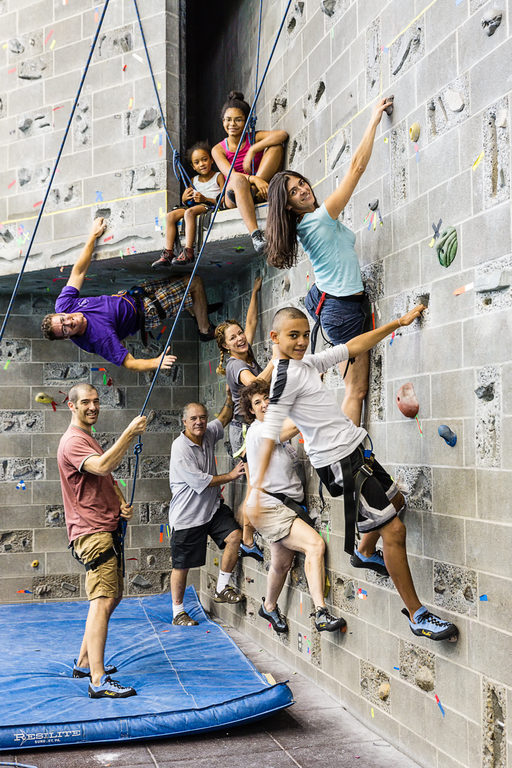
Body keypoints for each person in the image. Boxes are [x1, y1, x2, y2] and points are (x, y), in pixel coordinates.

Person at [251, 306, 459, 643]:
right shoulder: (284, 381)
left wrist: (397, 323)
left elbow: (352, 347)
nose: (303, 341)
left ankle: (364, 552)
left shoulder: (304, 364)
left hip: (356, 451)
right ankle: (417, 615)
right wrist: (254, 493)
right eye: (294, 336)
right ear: (274, 338)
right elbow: (269, 433)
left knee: (398, 501)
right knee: (394, 529)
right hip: (340, 465)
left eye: (305, 334)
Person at [265, 96, 394, 427]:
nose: (303, 190)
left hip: (331, 302)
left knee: (352, 387)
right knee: (356, 390)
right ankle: (349, 461)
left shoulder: (306, 224)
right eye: (294, 193)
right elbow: (356, 168)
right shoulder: (318, 219)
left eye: (300, 183)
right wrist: (374, 118)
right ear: (289, 207)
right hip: (342, 309)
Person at [57, 382, 147, 698]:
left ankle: (83, 662)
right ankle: (97, 680)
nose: (93, 407)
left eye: (96, 401)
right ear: (72, 406)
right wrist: (129, 433)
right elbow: (103, 465)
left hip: (104, 529)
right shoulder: (72, 442)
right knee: (102, 600)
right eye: (86, 402)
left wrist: (120, 501)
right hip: (92, 534)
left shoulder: (87, 438)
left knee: (112, 597)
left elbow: (104, 477)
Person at [240, 380, 346, 634]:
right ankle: (320, 612)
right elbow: (285, 429)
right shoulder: (258, 431)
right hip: (270, 507)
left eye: (266, 397)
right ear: (251, 410)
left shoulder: (275, 428)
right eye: (257, 402)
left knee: (282, 563)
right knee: (315, 545)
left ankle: (268, 606)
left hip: (283, 505)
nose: (264, 403)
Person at [41, 218, 216, 370]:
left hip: (134, 295)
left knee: (183, 279)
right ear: (66, 337)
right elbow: (129, 363)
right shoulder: (98, 339)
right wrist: (155, 362)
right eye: (65, 329)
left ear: (61, 313)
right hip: (148, 312)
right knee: (194, 282)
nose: (69, 322)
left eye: (64, 319)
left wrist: (92, 236)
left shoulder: (64, 304)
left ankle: (196, 310)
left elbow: (78, 272)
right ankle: (205, 329)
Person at [169, 394, 246, 626]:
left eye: (202, 417)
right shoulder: (180, 447)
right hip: (188, 516)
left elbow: (223, 417)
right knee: (182, 566)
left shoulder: (208, 432)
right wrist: (231, 476)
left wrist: (230, 397)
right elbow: (201, 481)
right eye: (193, 418)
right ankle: (178, 611)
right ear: (184, 422)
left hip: (211, 509)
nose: (199, 422)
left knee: (235, 537)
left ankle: (222, 587)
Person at [215, 275, 275, 561]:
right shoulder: (236, 363)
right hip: (243, 431)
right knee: (254, 483)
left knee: (256, 482)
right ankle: (248, 539)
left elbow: (251, 324)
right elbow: (254, 386)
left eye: (239, 333)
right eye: (233, 337)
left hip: (250, 427)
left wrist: (254, 292)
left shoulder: (244, 350)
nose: (240, 338)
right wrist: (276, 361)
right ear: (226, 346)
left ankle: (249, 537)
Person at [212, 91, 288, 255]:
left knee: (276, 146)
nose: (232, 124)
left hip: (255, 187)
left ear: (246, 122)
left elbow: (282, 135)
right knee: (239, 179)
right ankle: (255, 235)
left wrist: (253, 148)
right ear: (223, 121)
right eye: (228, 120)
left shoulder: (254, 137)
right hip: (233, 194)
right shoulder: (218, 149)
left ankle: (255, 190)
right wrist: (255, 179)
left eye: (238, 120)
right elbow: (230, 174)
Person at [152, 141, 225, 268]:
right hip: (194, 206)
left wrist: (205, 198)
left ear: (212, 160)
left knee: (189, 213)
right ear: (193, 167)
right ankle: (169, 252)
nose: (201, 164)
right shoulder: (193, 180)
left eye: (204, 160)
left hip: (209, 205)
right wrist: (185, 198)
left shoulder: (219, 176)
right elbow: (188, 201)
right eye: (197, 162)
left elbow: (223, 200)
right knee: (170, 216)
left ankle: (189, 250)